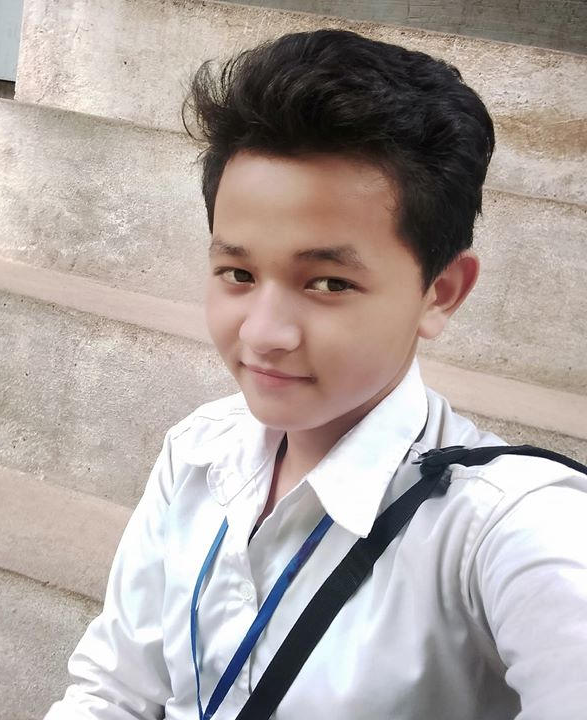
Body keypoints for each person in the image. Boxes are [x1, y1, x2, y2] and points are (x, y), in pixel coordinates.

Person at [44, 30, 587, 720]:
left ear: (441, 292)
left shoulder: (500, 528)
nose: (263, 333)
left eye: (328, 283)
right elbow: (115, 691)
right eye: (238, 273)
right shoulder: (199, 452)